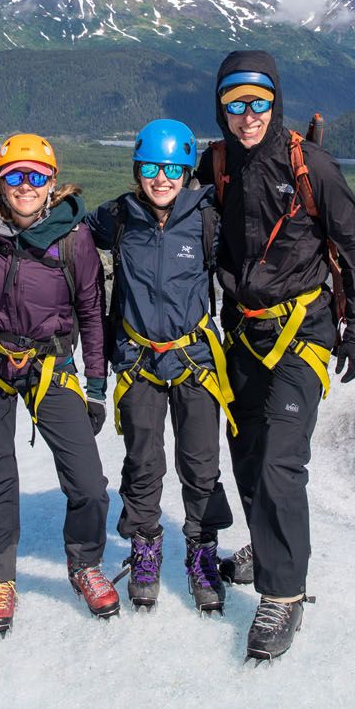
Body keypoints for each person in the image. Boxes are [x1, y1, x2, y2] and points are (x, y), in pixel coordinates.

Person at [195, 51, 355, 661]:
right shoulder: (216, 164)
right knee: (245, 453)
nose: (247, 116)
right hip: (245, 330)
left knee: (279, 461)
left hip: (304, 329)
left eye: (259, 103)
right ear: (220, 108)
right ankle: (264, 544)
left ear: (276, 103)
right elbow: (175, 220)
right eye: (234, 104)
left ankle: (283, 595)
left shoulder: (311, 165)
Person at [0, 133, 119, 636]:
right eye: (14, 176)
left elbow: (92, 313)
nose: (24, 186)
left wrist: (96, 385)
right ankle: (0, 578)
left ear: (52, 182)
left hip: (51, 365)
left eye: (35, 176)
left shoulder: (74, 237)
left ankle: (85, 563)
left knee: (89, 484)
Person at [87, 119, 235, 613]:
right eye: (151, 167)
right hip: (138, 360)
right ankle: (145, 544)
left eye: (173, 168)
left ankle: (201, 551)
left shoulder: (207, 217)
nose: (161, 178)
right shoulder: (119, 218)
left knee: (200, 465)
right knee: (143, 462)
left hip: (193, 359)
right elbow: (67, 228)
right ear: (137, 168)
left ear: (188, 170)